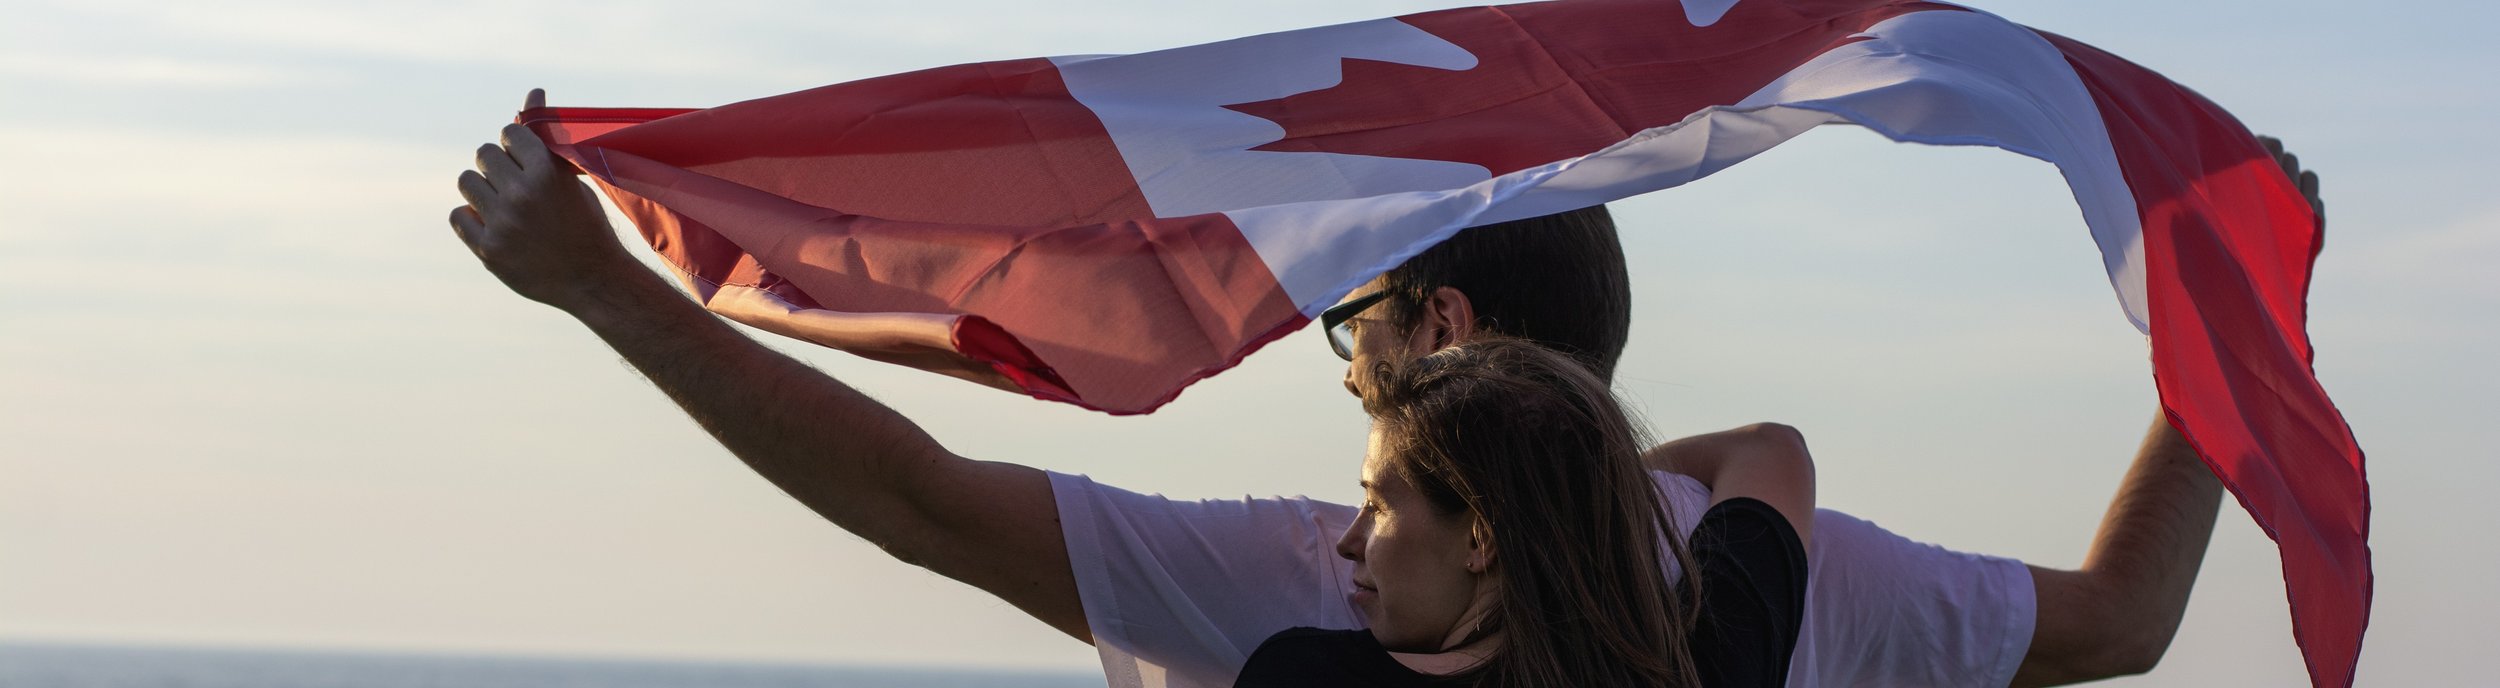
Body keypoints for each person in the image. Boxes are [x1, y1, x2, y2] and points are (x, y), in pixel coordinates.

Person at [451, 89, 2321, 687]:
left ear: (1430, 328)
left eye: (1345, 313)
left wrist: (605, 292)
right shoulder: (1773, 580)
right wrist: (2238, 335)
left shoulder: (1304, 585)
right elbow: (2128, 619)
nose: (1319, 344)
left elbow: (918, 493)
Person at [1233, 337, 1812, 688]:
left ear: (1482, 536)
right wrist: (1578, 488)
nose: (1349, 541)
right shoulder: (1711, 668)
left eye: (1378, 505)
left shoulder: (1304, 678)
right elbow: (1769, 450)